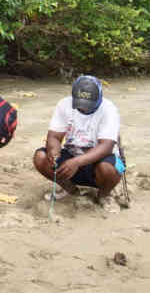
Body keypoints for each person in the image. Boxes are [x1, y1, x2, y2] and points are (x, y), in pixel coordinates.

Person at [33, 75, 124, 213]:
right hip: (72, 157)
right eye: (80, 106)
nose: (83, 110)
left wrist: (76, 162)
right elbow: (54, 137)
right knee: (41, 157)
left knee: (106, 168)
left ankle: (104, 196)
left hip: (100, 162)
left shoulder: (109, 109)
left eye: (88, 106)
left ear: (99, 98)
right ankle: (71, 191)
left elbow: (106, 146)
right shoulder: (64, 104)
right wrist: (53, 151)